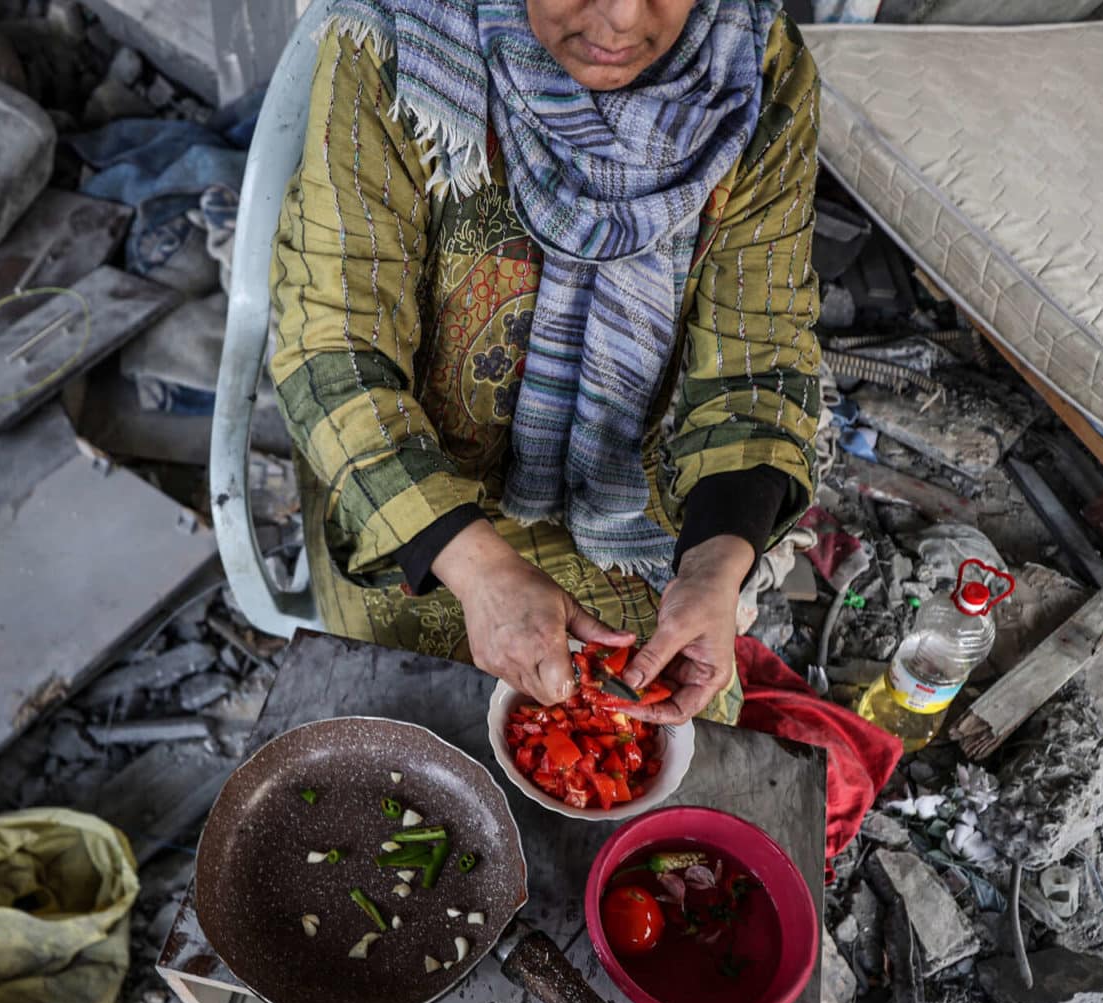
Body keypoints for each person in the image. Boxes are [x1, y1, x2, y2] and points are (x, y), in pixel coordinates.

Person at [270, 0, 820, 724]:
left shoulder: (755, 66)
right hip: (411, 489)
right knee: (405, 743)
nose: (622, 20)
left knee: (679, 749)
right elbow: (331, 346)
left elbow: (759, 356)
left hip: (627, 508)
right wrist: (479, 569)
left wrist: (715, 563)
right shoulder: (397, 38)